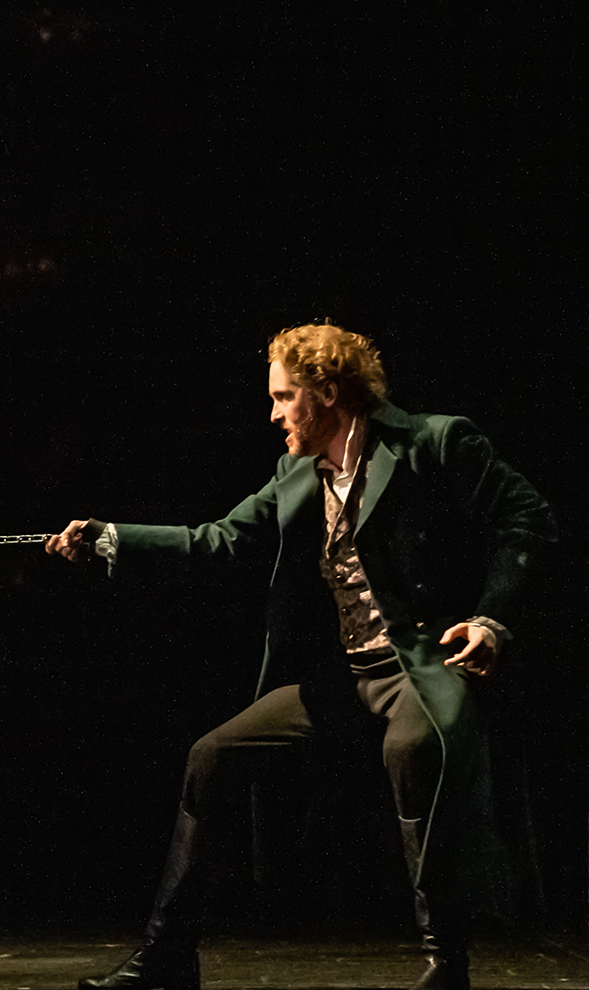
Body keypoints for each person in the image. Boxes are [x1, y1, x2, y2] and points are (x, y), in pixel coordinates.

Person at [45, 321, 555, 990]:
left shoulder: (432, 442)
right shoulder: (297, 474)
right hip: (346, 675)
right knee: (212, 755)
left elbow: (528, 517)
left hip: (419, 667)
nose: (275, 412)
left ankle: (445, 963)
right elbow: (217, 539)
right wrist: (112, 538)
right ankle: (168, 953)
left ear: (329, 392)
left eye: (286, 397)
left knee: (413, 749)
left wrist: (490, 619)